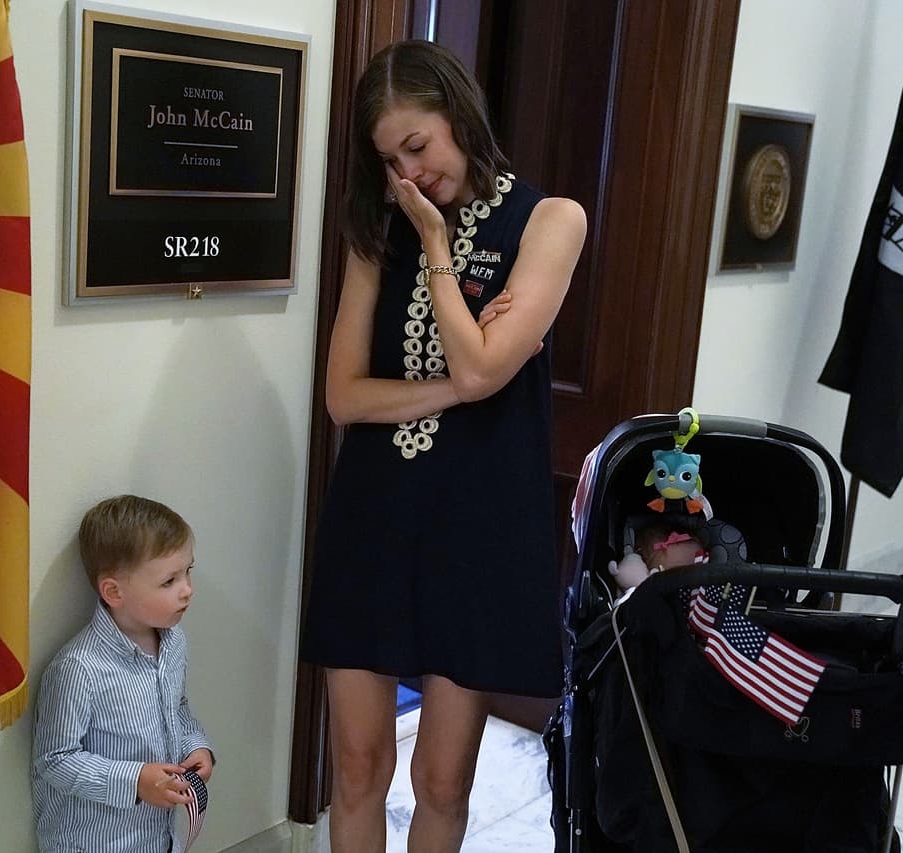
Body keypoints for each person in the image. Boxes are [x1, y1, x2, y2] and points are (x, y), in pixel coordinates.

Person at [299, 39, 586, 853]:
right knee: (357, 766)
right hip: (374, 513)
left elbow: (482, 365)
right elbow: (345, 396)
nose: (409, 176)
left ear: (459, 116)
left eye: (418, 146)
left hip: (479, 524)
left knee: (442, 780)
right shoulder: (374, 229)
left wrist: (434, 248)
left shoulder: (550, 220)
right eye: (391, 161)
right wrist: (462, 387)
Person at [32, 495, 213, 853]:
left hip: (157, 838)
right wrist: (134, 781)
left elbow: (176, 706)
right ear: (114, 591)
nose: (187, 590)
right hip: (92, 844)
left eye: (188, 571)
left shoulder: (174, 642)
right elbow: (54, 759)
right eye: (169, 581)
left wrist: (195, 744)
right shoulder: (79, 668)